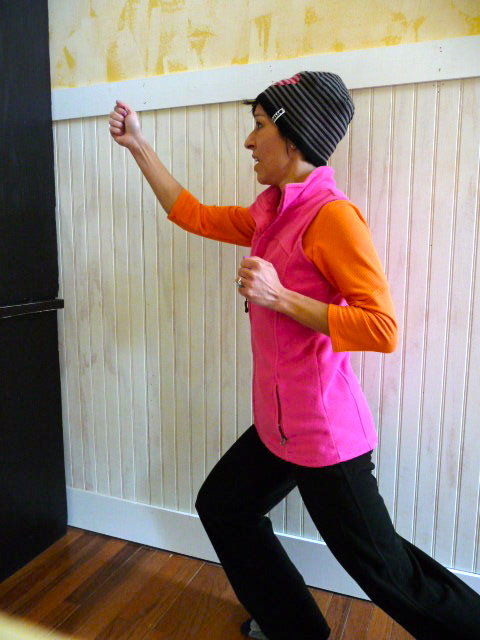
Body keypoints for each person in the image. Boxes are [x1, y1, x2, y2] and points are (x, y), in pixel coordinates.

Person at [109, 71, 480, 640]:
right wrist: (138, 144)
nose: (249, 141)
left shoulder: (333, 217)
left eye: (259, 125)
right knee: (224, 507)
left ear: (294, 135)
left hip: (325, 435)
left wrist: (280, 296)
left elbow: (381, 329)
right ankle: (294, 629)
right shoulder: (272, 214)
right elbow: (193, 213)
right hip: (277, 428)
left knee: (391, 576)